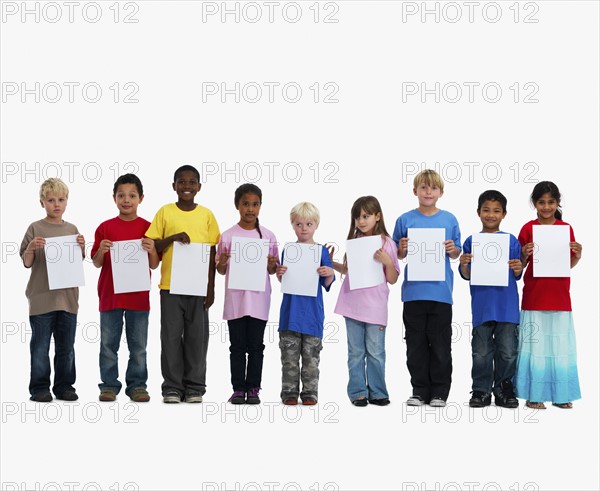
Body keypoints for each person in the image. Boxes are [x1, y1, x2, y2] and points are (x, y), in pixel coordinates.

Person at [146, 165, 220, 404]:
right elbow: (153, 245)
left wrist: (211, 289)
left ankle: (195, 387)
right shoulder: (165, 212)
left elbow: (211, 253)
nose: (186, 186)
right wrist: (173, 238)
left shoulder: (207, 215)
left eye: (192, 182)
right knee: (170, 338)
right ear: (173, 186)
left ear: (199, 187)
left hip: (198, 288)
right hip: (170, 287)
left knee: (197, 339)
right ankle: (172, 387)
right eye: (181, 181)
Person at [392, 169, 461, 407]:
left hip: (441, 292)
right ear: (415, 191)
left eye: (433, 187)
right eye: (423, 187)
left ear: (441, 192)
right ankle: (419, 390)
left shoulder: (450, 219)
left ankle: (440, 392)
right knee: (415, 344)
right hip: (413, 292)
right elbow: (397, 255)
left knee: (441, 344)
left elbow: (457, 252)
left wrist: (453, 249)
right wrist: (401, 248)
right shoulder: (405, 219)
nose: (428, 191)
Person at [91, 174, 160, 403]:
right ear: (114, 198)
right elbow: (96, 262)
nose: (126, 200)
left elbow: (154, 264)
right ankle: (109, 385)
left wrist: (151, 249)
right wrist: (101, 249)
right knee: (108, 345)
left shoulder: (148, 228)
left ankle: (138, 386)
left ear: (141, 198)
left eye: (132, 195)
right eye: (121, 195)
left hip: (138, 298)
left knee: (138, 346)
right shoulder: (105, 227)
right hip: (110, 296)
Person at [515, 181, 582, 409]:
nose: (546, 207)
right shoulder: (527, 229)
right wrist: (524, 253)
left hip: (560, 296)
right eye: (541, 202)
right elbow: (518, 266)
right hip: (534, 296)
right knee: (536, 346)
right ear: (534, 203)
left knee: (559, 346)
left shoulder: (566, 228)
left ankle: (561, 394)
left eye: (550, 202)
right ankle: (535, 394)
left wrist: (578, 256)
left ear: (557, 203)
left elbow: (566, 265)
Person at [20, 178, 85, 402]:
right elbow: (27, 262)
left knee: (66, 347)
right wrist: (30, 247)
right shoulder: (35, 228)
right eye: (50, 200)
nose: (56, 204)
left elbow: (78, 262)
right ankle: (39, 388)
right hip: (42, 299)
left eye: (61, 199)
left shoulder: (72, 229)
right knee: (40, 347)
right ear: (42, 203)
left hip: (68, 299)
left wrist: (82, 247)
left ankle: (64, 386)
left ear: (67, 202)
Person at [331, 196, 399, 407]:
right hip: (352, 305)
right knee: (356, 352)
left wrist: (387, 262)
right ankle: (358, 392)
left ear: (377, 216)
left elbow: (393, 279)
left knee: (376, 352)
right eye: (357, 217)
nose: (361, 221)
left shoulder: (387, 243)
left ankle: (378, 391)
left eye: (366, 216)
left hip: (375, 307)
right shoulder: (355, 242)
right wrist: (331, 262)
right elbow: (350, 271)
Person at [458, 190, 522, 408]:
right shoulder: (471, 241)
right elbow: (466, 275)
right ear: (478, 212)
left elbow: (517, 274)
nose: (491, 215)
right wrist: (465, 263)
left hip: (507, 307)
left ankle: (504, 388)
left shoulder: (511, 241)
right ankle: (481, 390)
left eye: (496, 211)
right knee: (481, 352)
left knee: (508, 351)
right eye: (486, 210)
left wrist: (517, 266)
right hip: (482, 307)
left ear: (504, 214)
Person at [216, 184, 278, 405]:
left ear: (260, 206)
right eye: (245, 204)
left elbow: (273, 270)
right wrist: (222, 262)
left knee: (256, 346)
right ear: (237, 205)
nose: (250, 209)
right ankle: (237, 389)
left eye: (255, 204)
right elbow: (221, 269)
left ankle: (253, 387)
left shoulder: (268, 235)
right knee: (237, 347)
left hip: (259, 300)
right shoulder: (227, 235)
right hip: (236, 300)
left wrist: (272, 264)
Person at [276, 202, 335, 405]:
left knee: (311, 359)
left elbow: (327, 283)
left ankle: (310, 392)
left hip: (312, 317)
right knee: (289, 359)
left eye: (308, 224)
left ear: (316, 225)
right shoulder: (288, 250)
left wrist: (330, 273)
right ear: (292, 225)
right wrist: (279, 273)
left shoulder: (321, 252)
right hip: (290, 315)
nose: (304, 228)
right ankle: (289, 392)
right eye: (299, 224)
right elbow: (284, 280)